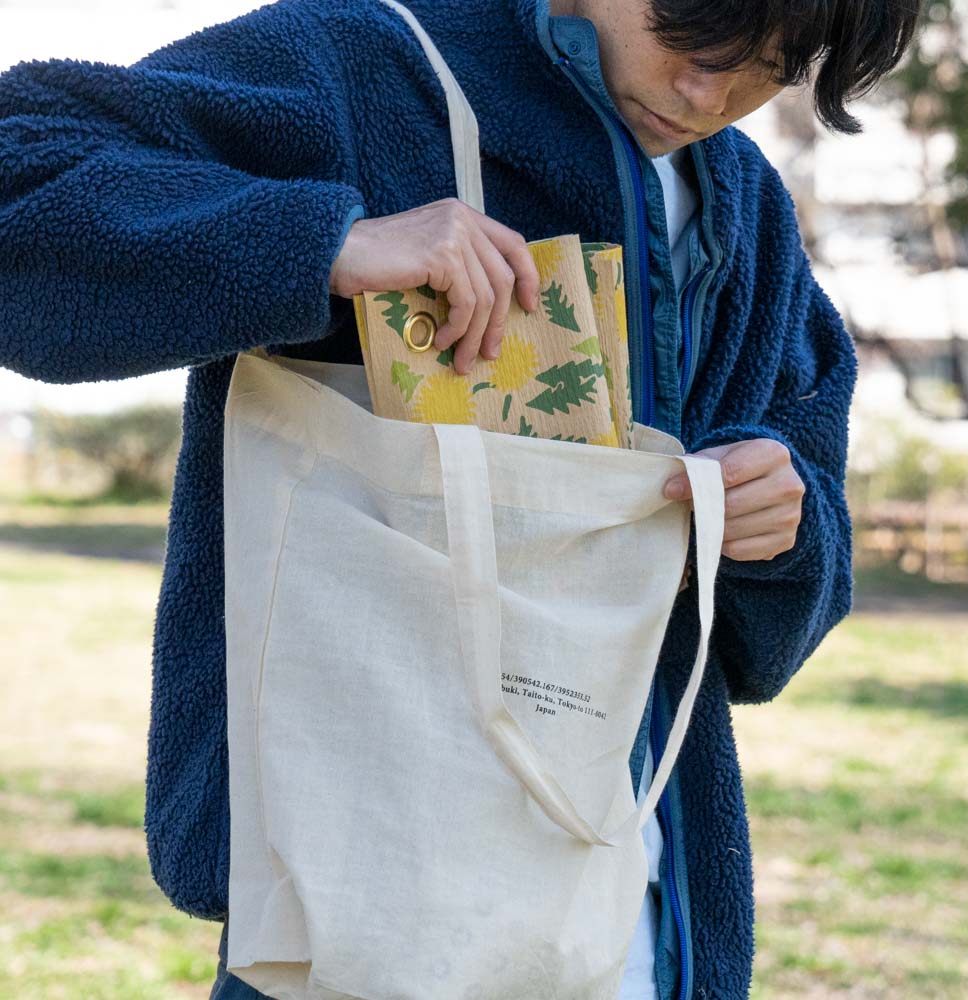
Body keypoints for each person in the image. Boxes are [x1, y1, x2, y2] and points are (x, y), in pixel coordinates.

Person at [0, 0, 921, 996]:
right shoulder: (363, 67)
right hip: (357, 907)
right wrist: (326, 243)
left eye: (768, 68)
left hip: (645, 926)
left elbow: (765, 640)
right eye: (690, 37)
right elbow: (23, 166)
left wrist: (783, 529)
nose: (708, 94)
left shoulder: (747, 212)